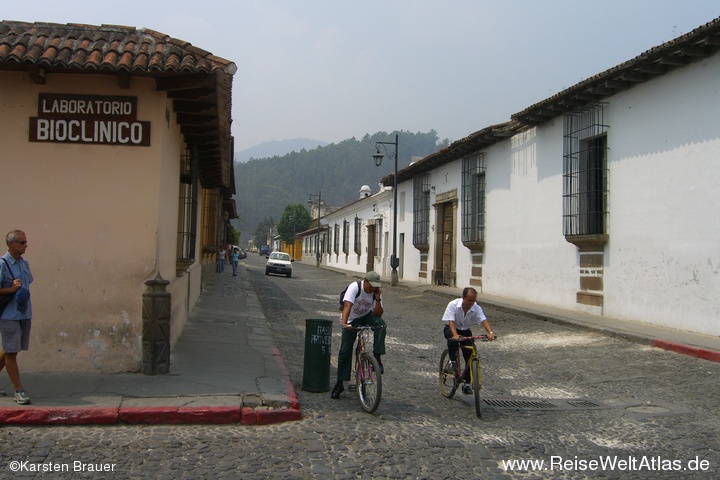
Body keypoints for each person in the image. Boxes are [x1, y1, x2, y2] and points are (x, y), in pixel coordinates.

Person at [331, 271, 387, 399]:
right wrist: (345, 324)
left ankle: (377, 358)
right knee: (345, 350)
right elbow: (347, 305)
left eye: (375, 286)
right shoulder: (355, 287)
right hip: (351, 319)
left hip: (366, 316)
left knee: (381, 324)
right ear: (365, 281)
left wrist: (377, 298)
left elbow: (378, 314)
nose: (373, 288)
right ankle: (340, 383)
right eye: (371, 285)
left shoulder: (375, 292)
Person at [0, 230, 34, 405]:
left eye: (25, 242)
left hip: (23, 314)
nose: (25, 245)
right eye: (22, 242)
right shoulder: (2, 264)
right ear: (11, 244)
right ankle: (19, 389)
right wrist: (10, 290)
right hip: (9, 315)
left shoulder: (24, 263)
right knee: (11, 352)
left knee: (10, 350)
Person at [442, 287, 495, 395]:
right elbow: (451, 321)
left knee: (470, 356)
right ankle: (452, 361)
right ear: (463, 297)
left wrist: (490, 333)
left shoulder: (476, 308)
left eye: (473, 300)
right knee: (453, 341)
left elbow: (483, 319)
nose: (471, 303)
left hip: (465, 331)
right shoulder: (453, 305)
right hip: (452, 328)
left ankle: (467, 384)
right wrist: (455, 334)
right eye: (469, 300)